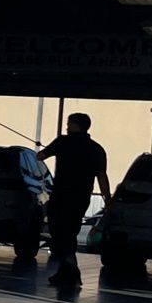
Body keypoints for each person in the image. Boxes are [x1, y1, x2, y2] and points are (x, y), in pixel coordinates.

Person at [38, 112, 111, 282]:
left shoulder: (62, 142)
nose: (66, 127)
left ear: (76, 125)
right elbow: (102, 176)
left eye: (69, 124)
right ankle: (68, 270)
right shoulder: (96, 149)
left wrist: (46, 148)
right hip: (81, 197)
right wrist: (107, 199)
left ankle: (70, 269)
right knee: (70, 231)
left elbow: (40, 156)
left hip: (61, 196)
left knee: (59, 232)